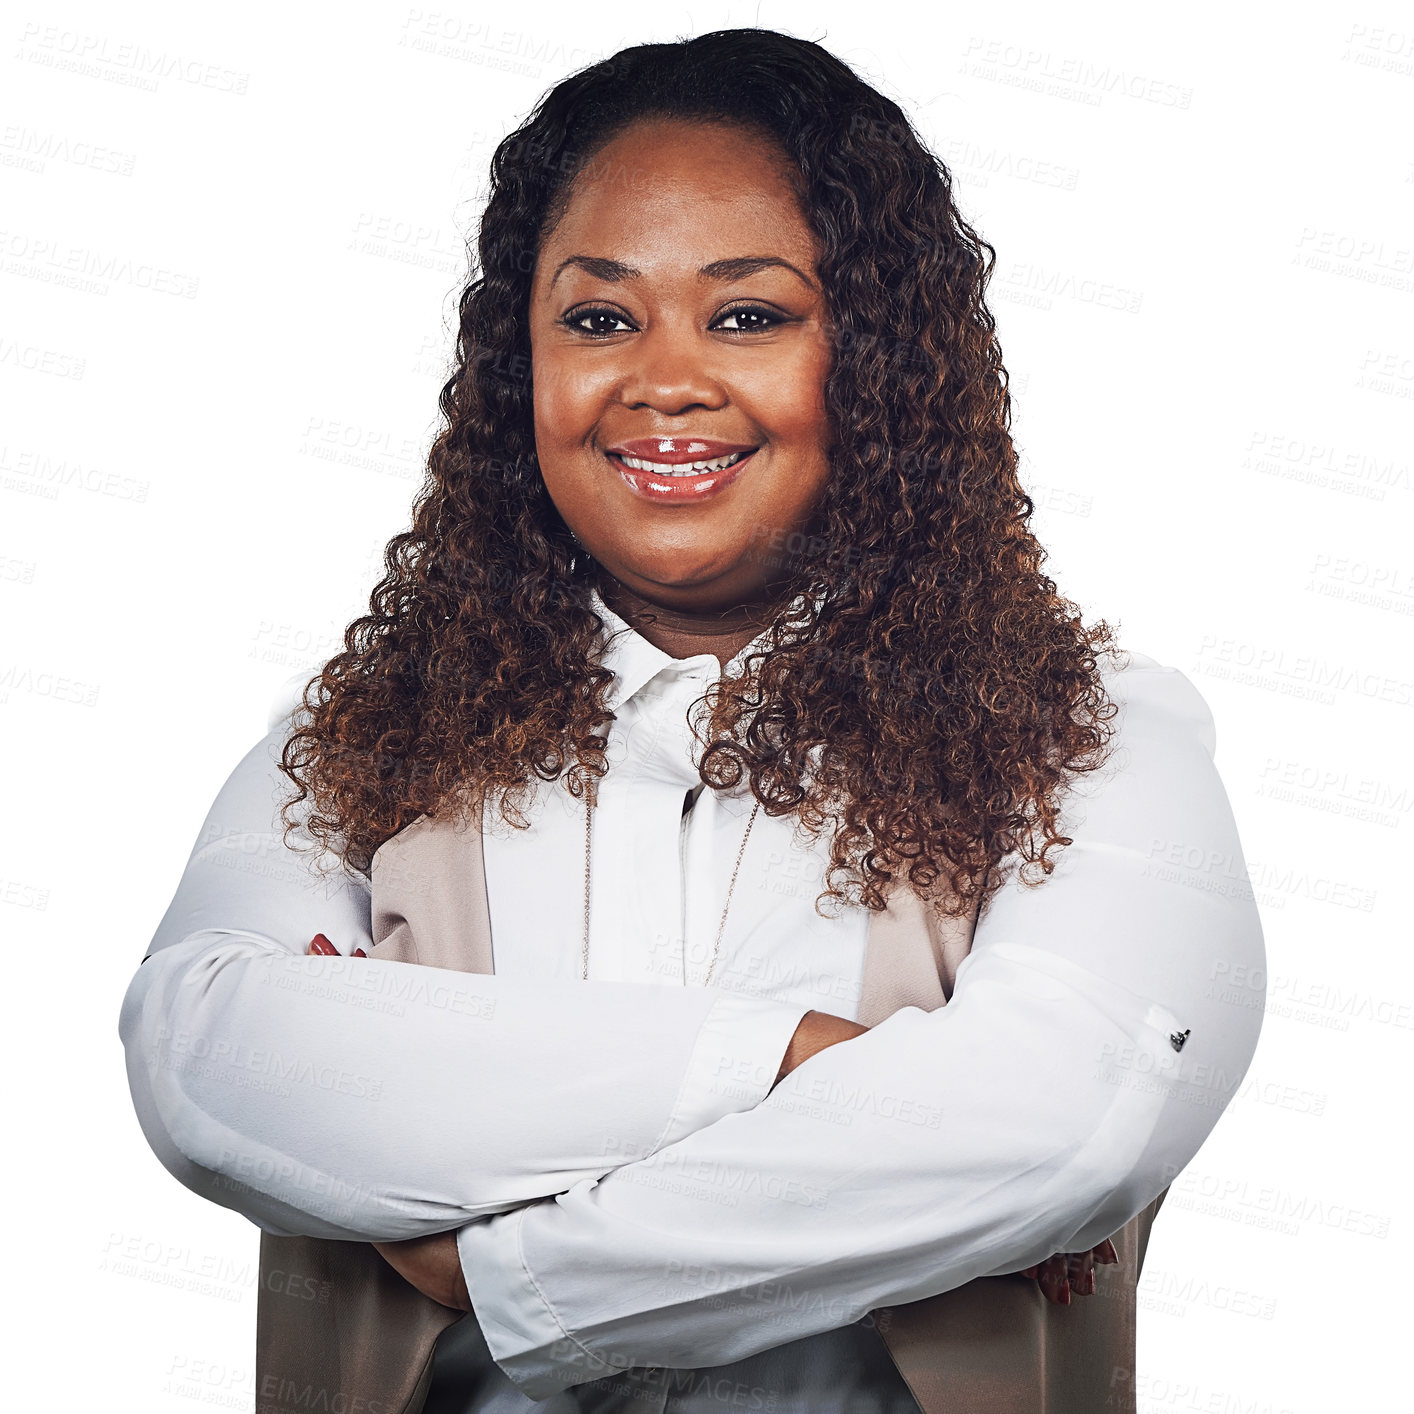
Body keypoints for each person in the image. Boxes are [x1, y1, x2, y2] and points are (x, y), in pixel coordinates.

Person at [118, 27, 1266, 1413]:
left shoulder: (1088, 741)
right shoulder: (372, 734)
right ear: (516, 366)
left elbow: (1059, 1122)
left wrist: (502, 1272)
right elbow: (205, 1052)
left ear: (879, 361)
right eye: (598, 318)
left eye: (748, 315)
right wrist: (783, 1063)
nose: (663, 380)